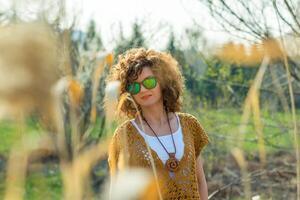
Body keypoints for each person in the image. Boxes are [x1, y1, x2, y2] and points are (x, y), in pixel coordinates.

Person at [106, 48, 209, 200]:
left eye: (148, 82)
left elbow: (200, 181)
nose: (142, 89)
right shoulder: (124, 136)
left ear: (163, 81)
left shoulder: (189, 125)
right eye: (134, 86)